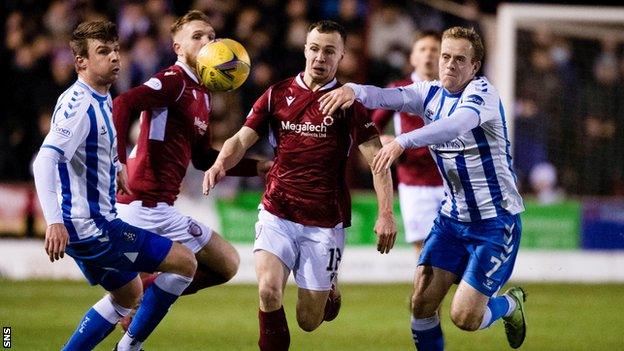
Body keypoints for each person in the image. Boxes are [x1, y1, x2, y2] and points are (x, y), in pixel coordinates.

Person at [319, 26, 527, 350]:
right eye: (446, 56)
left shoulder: (482, 94)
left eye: (460, 59)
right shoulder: (428, 93)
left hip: (495, 222)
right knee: (420, 304)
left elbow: (455, 125)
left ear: (475, 67)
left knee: (465, 317)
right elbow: (387, 95)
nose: (450, 64)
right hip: (452, 219)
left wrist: (403, 140)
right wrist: (352, 90)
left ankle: (510, 305)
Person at [203, 20, 398, 351]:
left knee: (308, 321)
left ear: (340, 57)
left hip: (324, 221)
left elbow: (377, 160)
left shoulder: (349, 104)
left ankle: (328, 290)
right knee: (268, 289)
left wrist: (386, 213)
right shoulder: (277, 94)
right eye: (314, 48)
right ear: (305, 49)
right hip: (277, 210)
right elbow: (241, 139)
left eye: (329, 51)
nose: (320, 57)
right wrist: (221, 162)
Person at [32, 21, 197, 351]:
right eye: (102, 52)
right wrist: (54, 221)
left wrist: (117, 166)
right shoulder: (79, 107)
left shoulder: (102, 97)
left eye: (116, 50)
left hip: (98, 222)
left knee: (129, 294)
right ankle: (130, 347)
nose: (114, 58)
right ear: (81, 61)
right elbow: (45, 161)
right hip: (91, 227)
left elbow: (94, 147)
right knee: (185, 262)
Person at [113, 10, 269, 307]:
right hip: (142, 204)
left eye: (211, 36)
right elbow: (122, 104)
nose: (207, 41)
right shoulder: (174, 81)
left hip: (158, 206)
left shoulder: (204, 94)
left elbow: (203, 158)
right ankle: (137, 302)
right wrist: (117, 161)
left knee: (219, 266)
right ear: (178, 49)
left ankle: (135, 306)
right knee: (226, 263)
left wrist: (257, 166)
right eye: (197, 37)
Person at [371, 30, 444, 259]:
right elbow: (372, 126)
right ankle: (427, 296)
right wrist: (382, 142)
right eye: (423, 49)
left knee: (458, 253)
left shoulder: (454, 90)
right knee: (425, 254)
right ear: (413, 58)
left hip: (451, 181)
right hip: (414, 181)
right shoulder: (399, 89)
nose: (429, 55)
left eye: (435, 50)